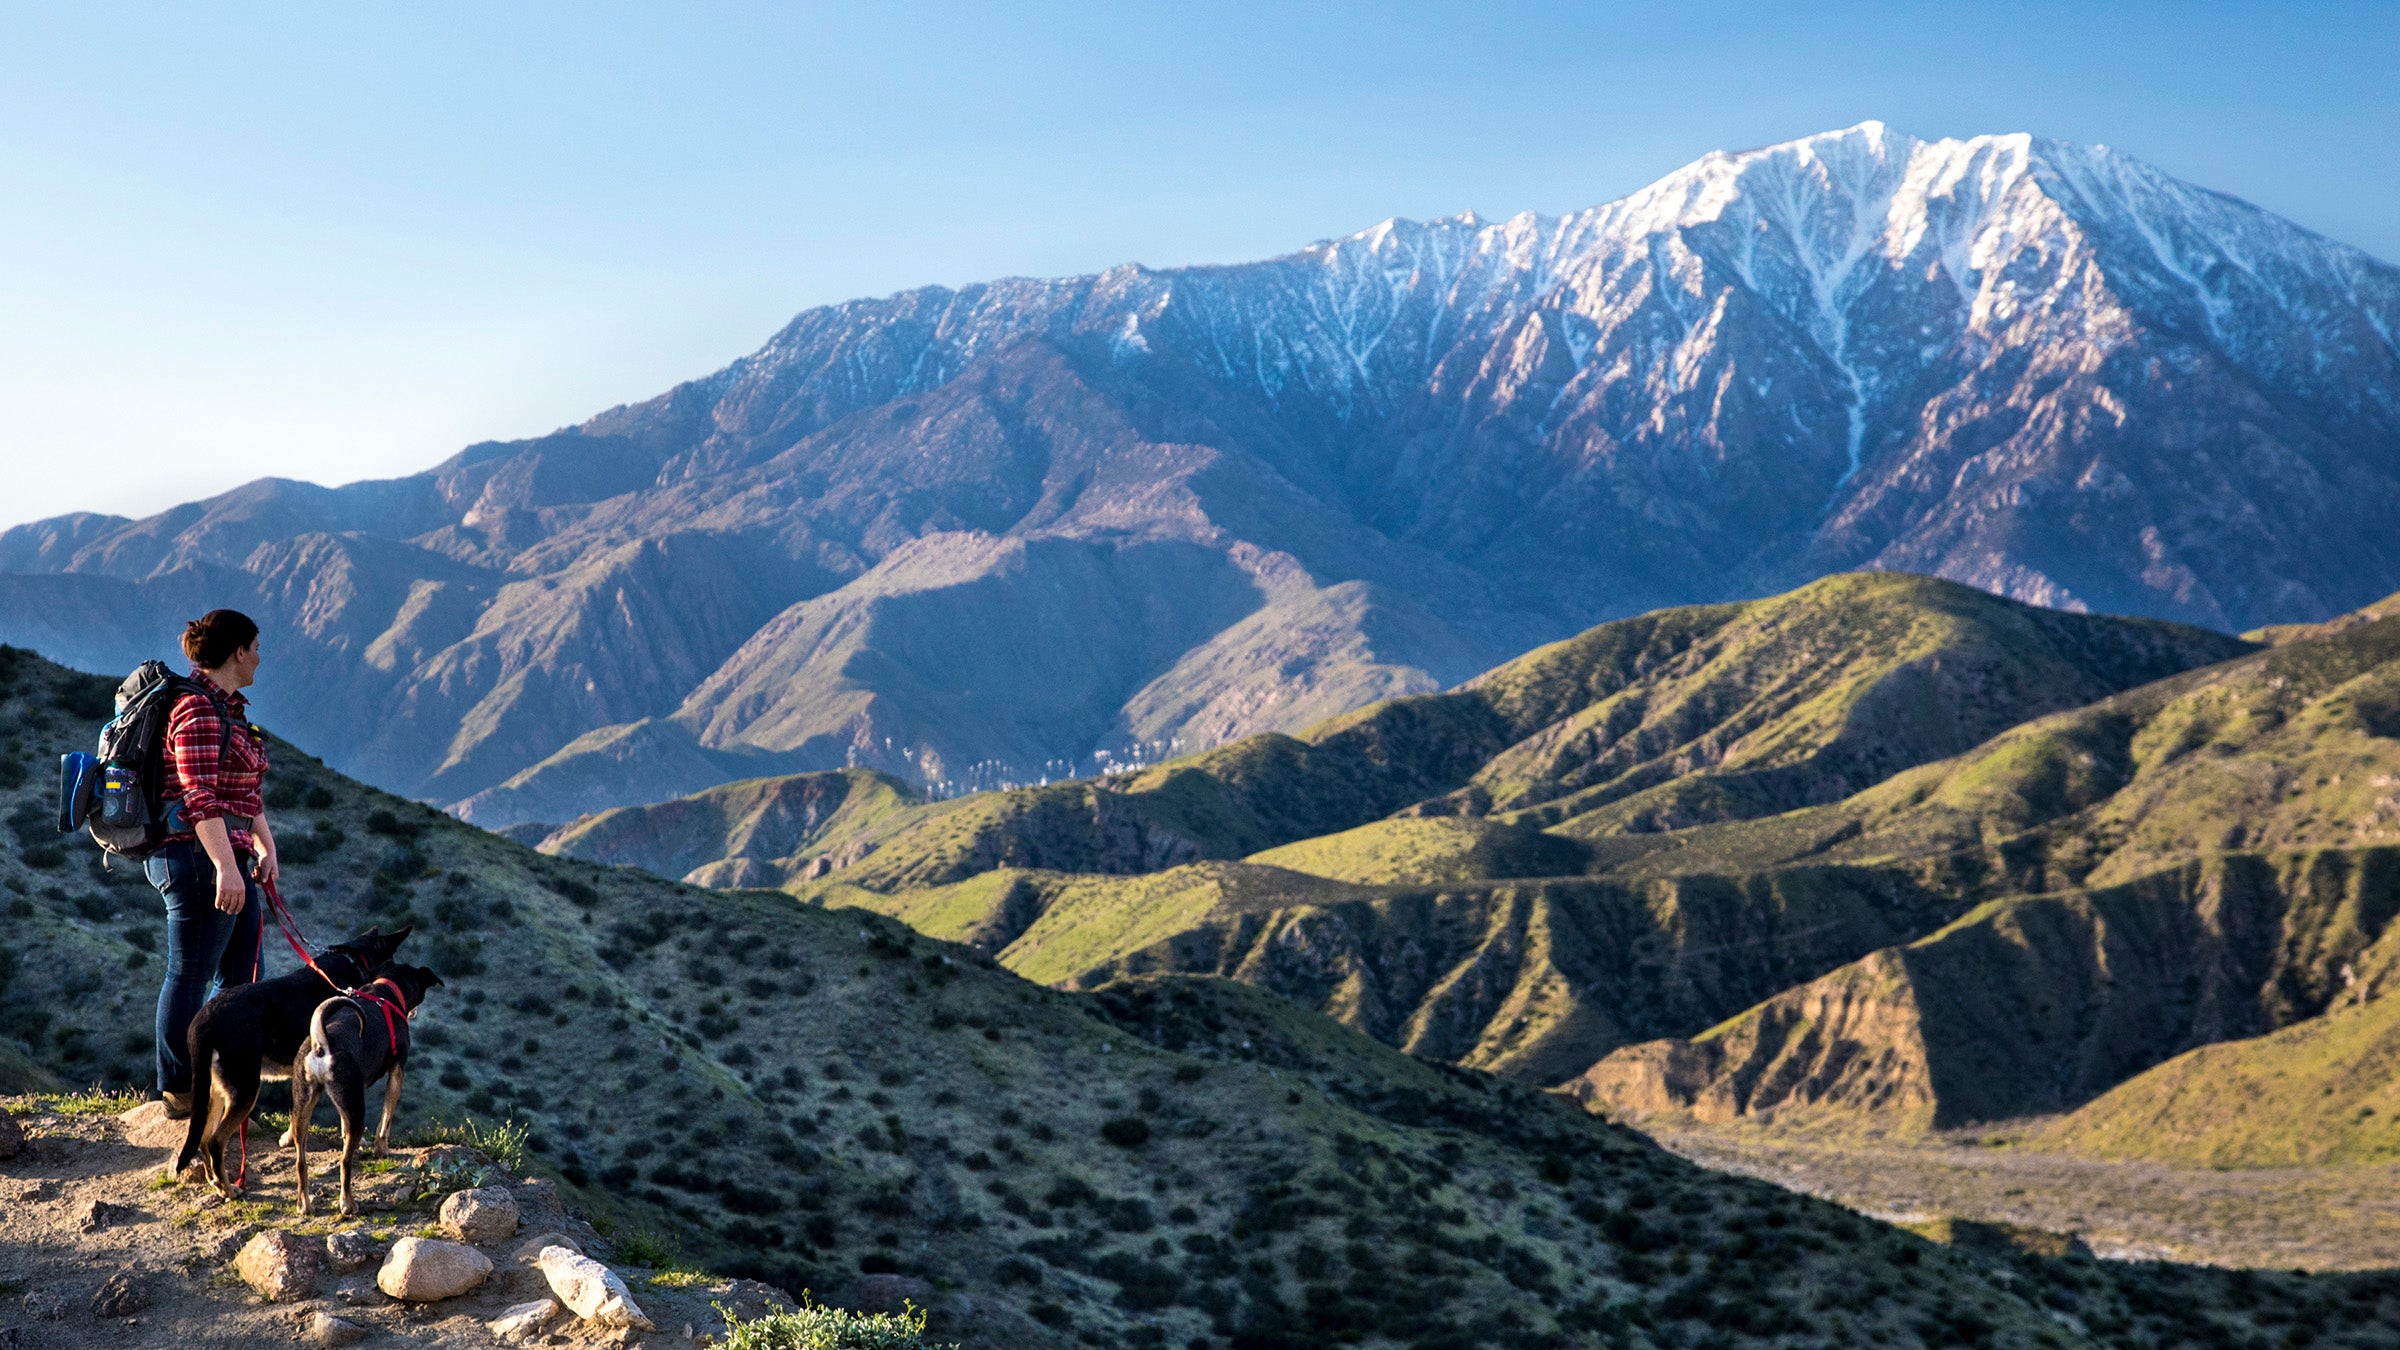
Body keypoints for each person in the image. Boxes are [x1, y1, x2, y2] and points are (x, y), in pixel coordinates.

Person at [150, 608, 280, 1118]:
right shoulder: (198, 712)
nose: (260, 658)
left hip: (227, 857)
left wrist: (263, 845)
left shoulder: (228, 710)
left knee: (245, 975)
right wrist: (226, 867)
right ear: (238, 652)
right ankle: (181, 1090)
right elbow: (199, 797)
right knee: (190, 973)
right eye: (256, 647)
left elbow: (243, 792)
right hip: (195, 858)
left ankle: (225, 1083)